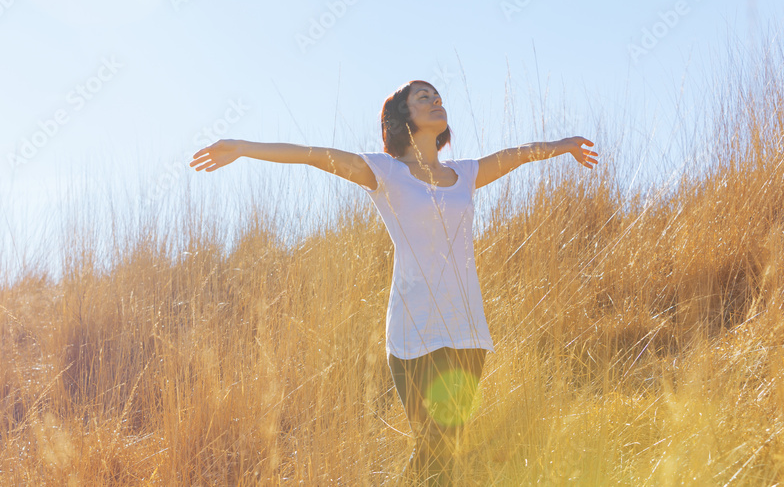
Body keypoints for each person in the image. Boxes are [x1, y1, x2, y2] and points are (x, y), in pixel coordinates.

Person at [189, 79, 599, 485]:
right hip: (414, 331)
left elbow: (516, 156)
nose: (436, 100)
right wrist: (243, 148)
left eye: (438, 96)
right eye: (423, 97)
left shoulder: (465, 173)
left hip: (468, 332)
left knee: (445, 452)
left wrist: (562, 145)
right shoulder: (386, 172)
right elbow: (314, 156)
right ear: (402, 116)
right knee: (436, 446)